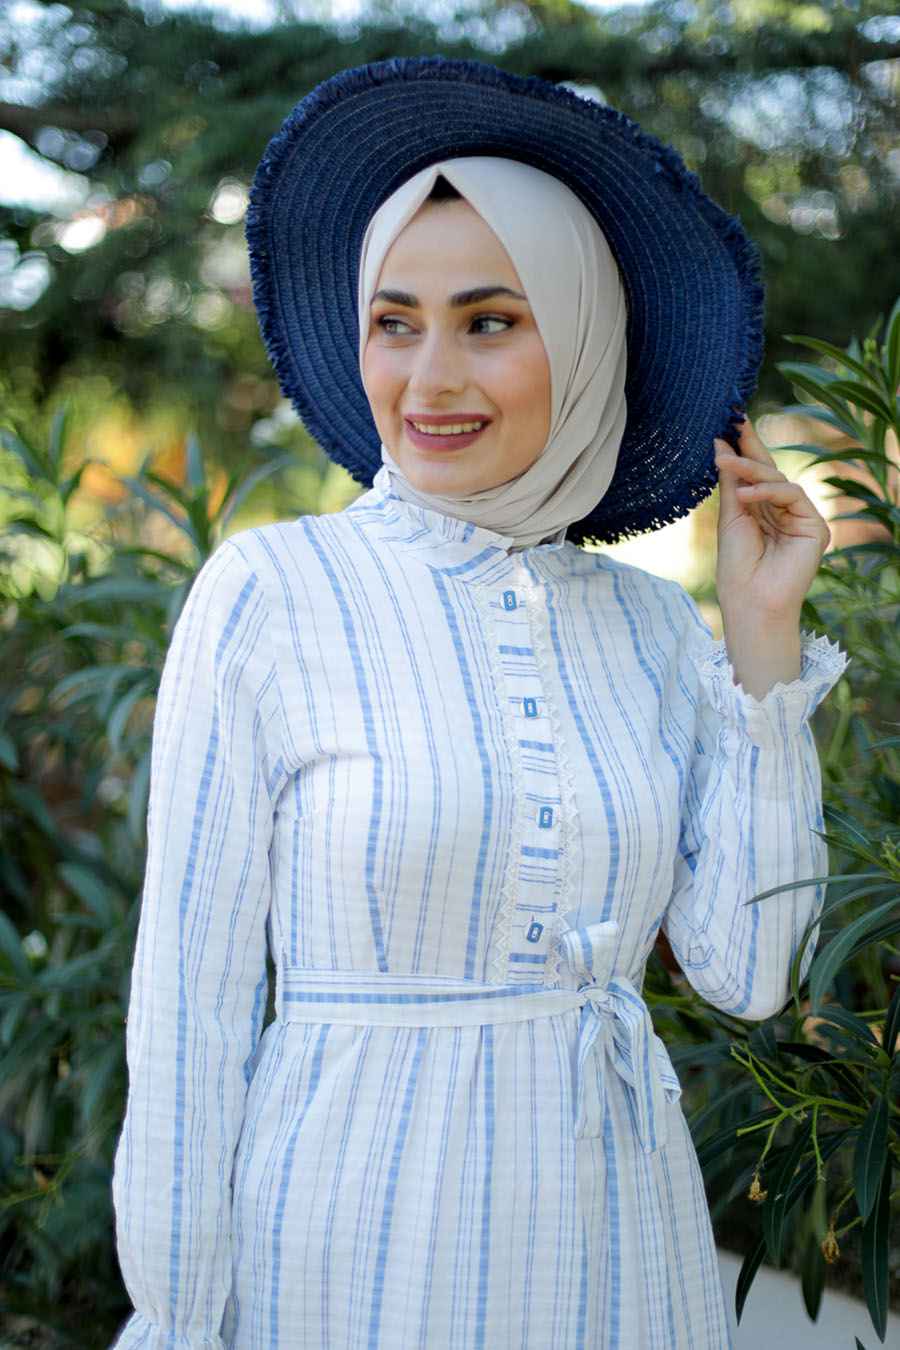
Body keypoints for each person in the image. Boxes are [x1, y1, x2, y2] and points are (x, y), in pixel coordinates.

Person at [111, 57, 845, 1349]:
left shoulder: (653, 632)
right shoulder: (275, 591)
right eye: (395, 320)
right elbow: (191, 1000)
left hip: (616, 1243)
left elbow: (747, 972)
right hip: (345, 1248)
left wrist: (760, 636)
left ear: (582, 334)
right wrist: (176, 1313)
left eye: (490, 320)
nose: (428, 375)